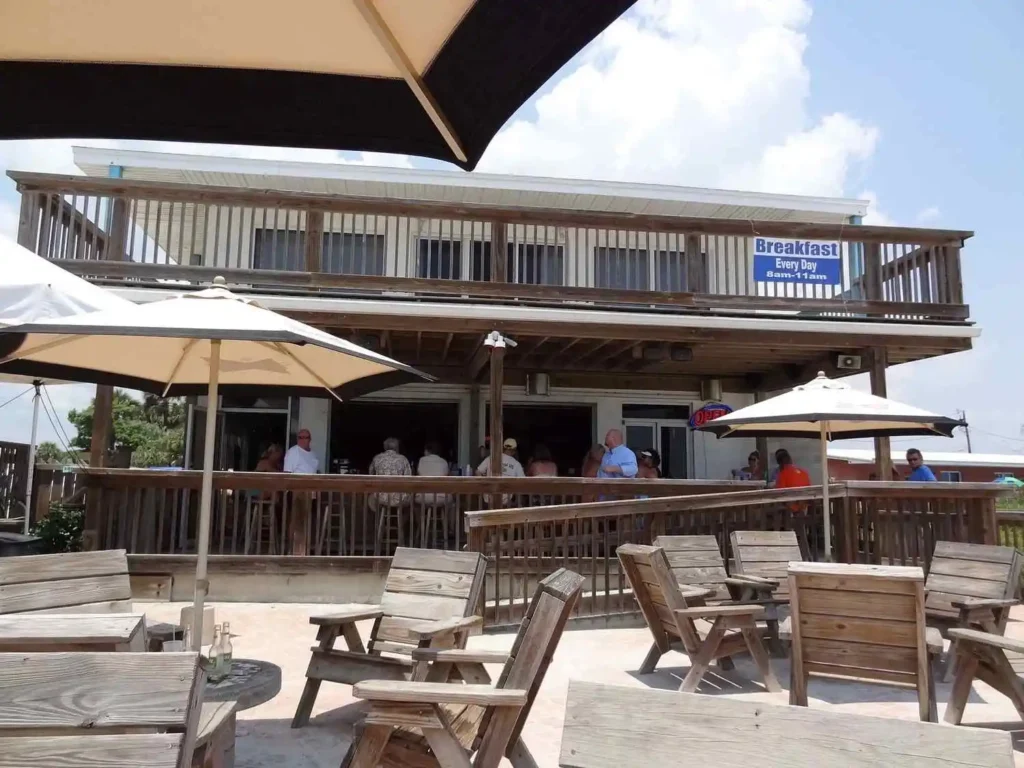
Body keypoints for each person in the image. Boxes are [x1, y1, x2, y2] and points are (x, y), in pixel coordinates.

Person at [369, 437, 412, 510]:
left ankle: (379, 520)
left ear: (385, 447)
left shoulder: (377, 458)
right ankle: (401, 521)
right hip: (400, 498)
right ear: (397, 447)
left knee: (371, 498)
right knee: (411, 501)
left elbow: (371, 474)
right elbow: (408, 478)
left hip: (381, 497)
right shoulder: (403, 459)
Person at [416, 440, 449, 507]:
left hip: (423, 496)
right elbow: (446, 475)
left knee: (415, 503)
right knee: (452, 503)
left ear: (428, 451)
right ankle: (448, 517)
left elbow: (419, 473)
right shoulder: (444, 461)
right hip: (441, 497)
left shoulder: (422, 460)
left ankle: (419, 517)